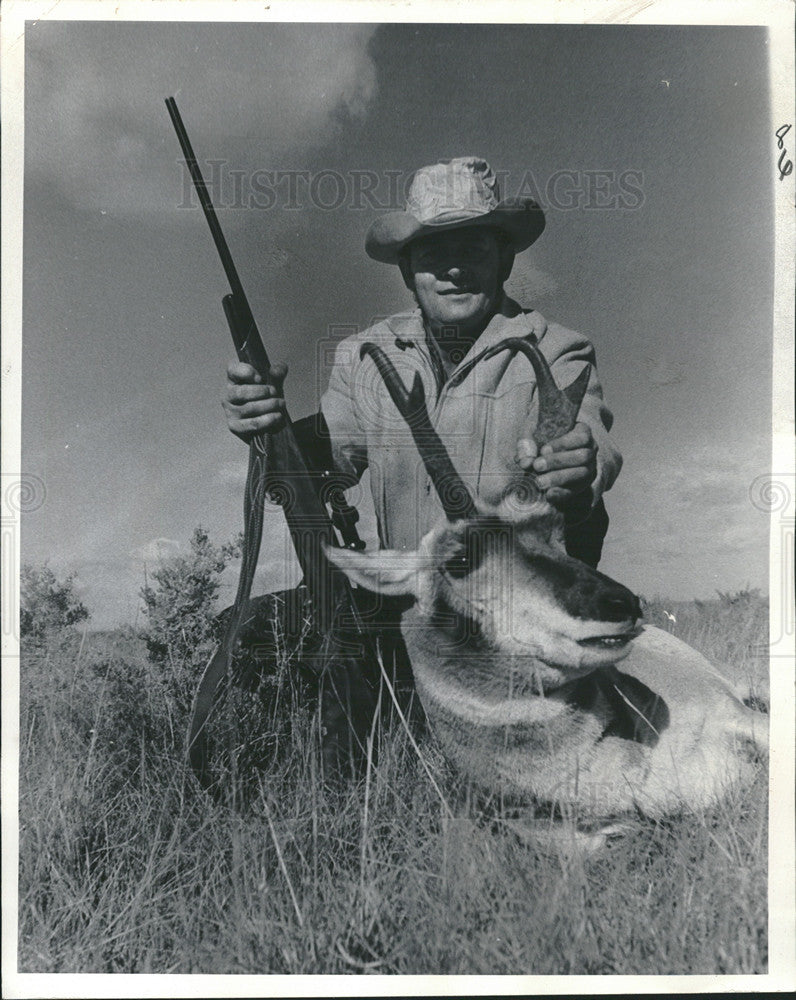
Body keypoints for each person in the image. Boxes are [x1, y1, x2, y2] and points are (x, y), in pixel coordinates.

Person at [221, 157, 622, 762]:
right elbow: (328, 456)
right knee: (250, 631)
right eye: (434, 253)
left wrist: (579, 466)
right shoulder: (364, 356)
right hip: (408, 607)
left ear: (505, 259)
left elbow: (588, 444)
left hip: (513, 613)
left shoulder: (559, 349)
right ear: (409, 268)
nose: (454, 268)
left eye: (473, 248)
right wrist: (264, 422)